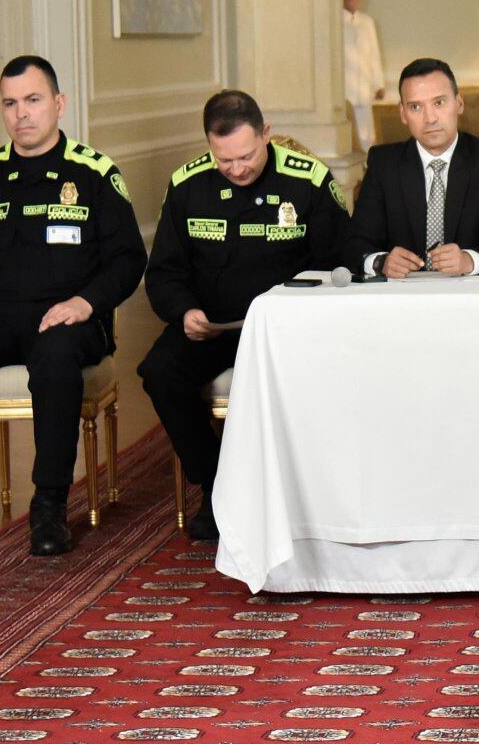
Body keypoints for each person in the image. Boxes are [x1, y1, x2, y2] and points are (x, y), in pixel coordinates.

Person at [0, 55, 146, 560]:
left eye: (33, 100)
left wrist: (86, 302)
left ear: (59, 104)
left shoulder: (94, 173)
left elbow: (128, 259)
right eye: (10, 103)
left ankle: (49, 505)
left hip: (70, 317)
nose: (21, 113)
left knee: (56, 359)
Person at [139, 90, 348, 541]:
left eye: (246, 156)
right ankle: (217, 486)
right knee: (159, 373)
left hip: (287, 331)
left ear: (265, 134)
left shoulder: (307, 180)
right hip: (213, 328)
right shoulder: (187, 185)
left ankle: (306, 493)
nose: (236, 169)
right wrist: (184, 311)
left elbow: (339, 263)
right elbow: (164, 272)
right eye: (224, 159)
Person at [343, 57, 479, 278]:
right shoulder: (384, 163)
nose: (429, 118)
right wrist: (381, 262)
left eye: (439, 103)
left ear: (459, 103)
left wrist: (469, 261)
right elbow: (354, 245)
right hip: (403, 293)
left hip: (470, 292)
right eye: (415, 107)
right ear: (403, 114)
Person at [342, 0, 386, 154]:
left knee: (367, 133)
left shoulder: (367, 22)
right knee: (348, 134)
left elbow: (374, 54)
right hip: (345, 89)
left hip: (364, 87)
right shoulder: (334, 22)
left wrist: (379, 84)